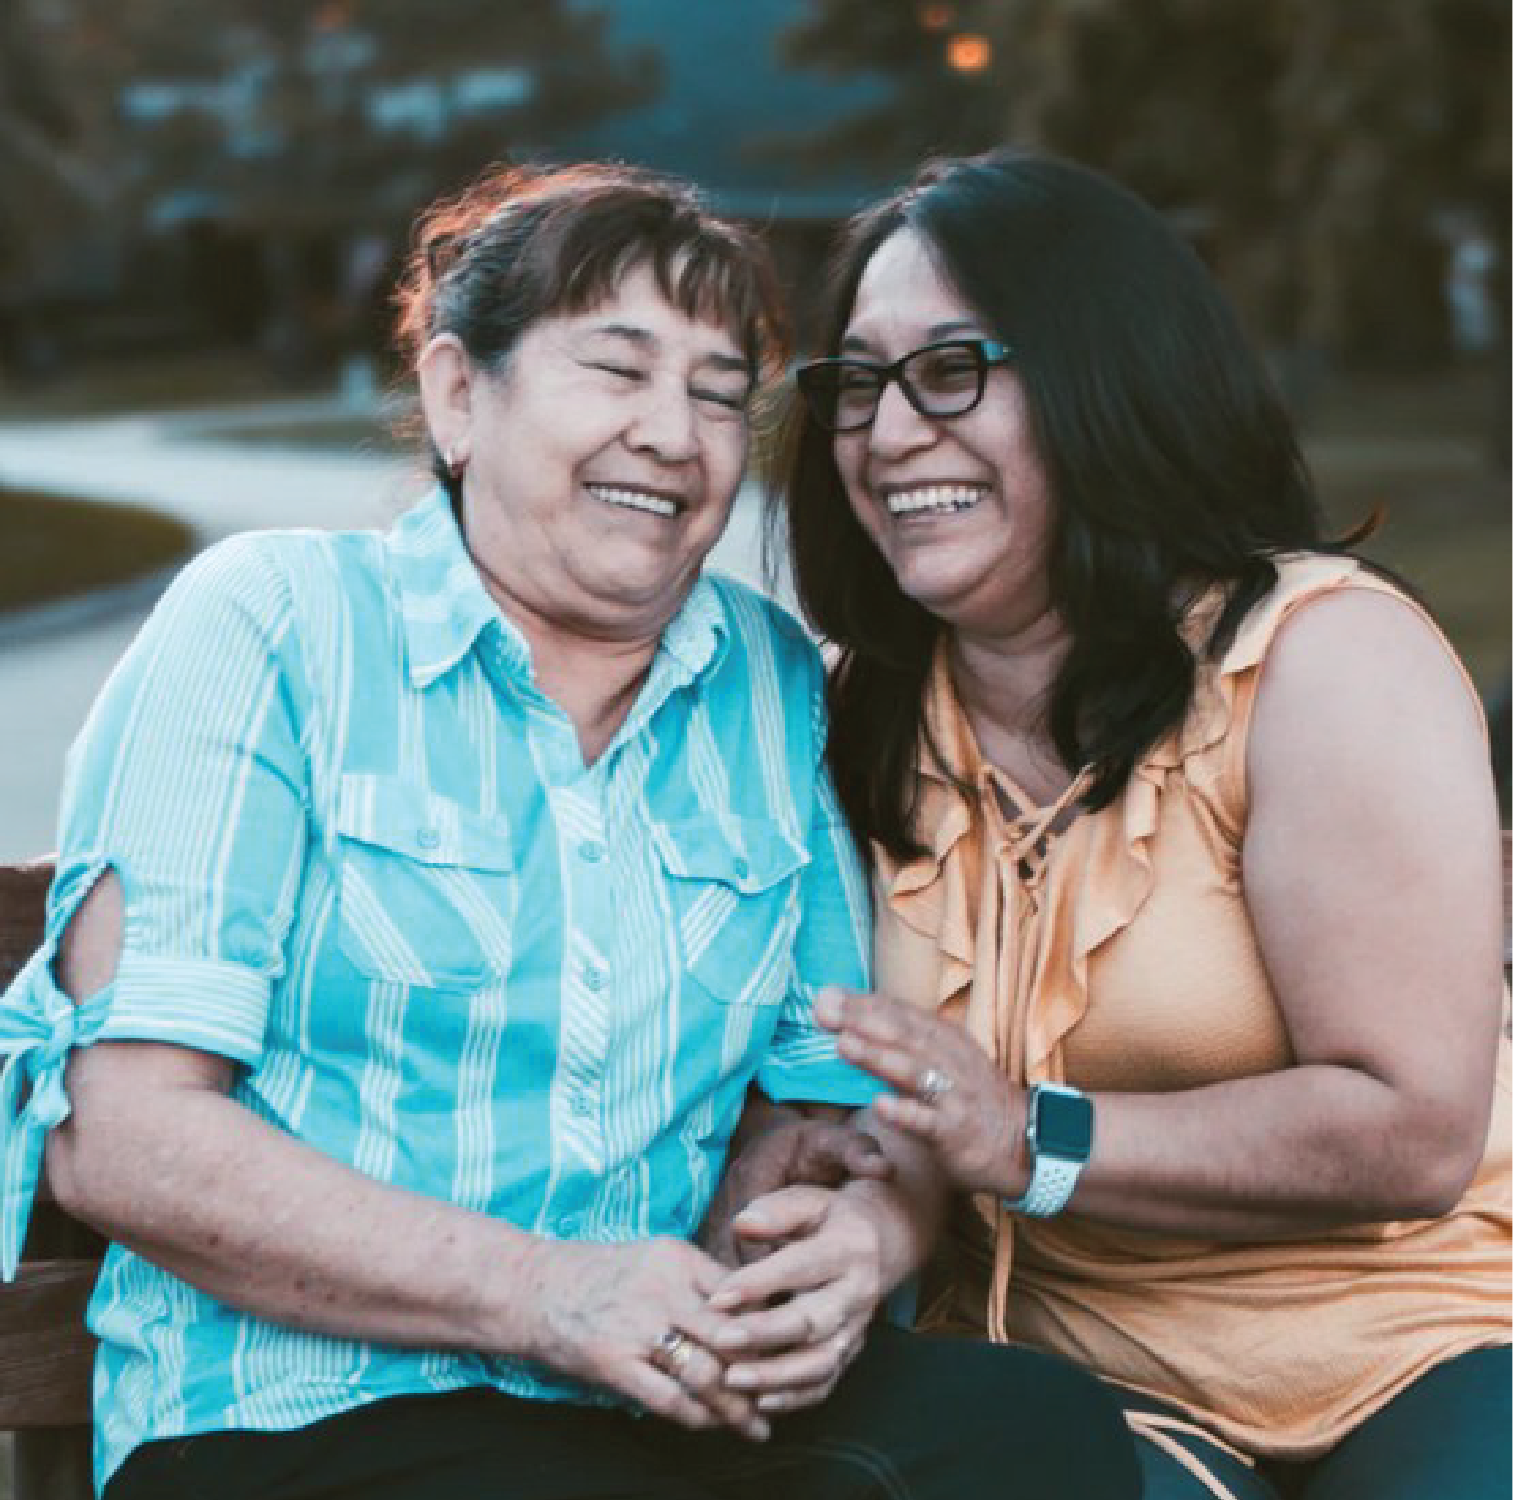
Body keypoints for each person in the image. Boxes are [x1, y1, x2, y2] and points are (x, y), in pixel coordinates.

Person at [0, 162, 1142, 1500]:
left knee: (1031, 1436)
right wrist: (548, 1294)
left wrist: (849, 1234)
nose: (676, 433)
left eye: (721, 393)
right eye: (619, 368)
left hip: (649, 1408)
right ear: (456, 394)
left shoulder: (769, 686)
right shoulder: (275, 627)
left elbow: (817, 1091)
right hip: (301, 1419)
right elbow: (129, 1138)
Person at [771, 147, 1513, 1500]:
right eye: (858, 384)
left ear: (1104, 380)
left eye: (949, 371)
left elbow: (1412, 1131)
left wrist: (1033, 1141)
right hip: (1069, 1392)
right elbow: (876, 1100)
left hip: (1415, 1346)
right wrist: (862, 1214)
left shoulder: (1316, 660)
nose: (885, 436)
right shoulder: (848, 717)